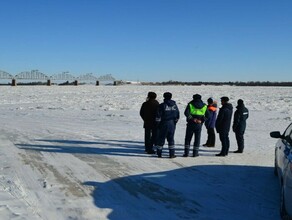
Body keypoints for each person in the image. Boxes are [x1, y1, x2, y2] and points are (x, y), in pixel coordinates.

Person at [155, 92, 180, 158]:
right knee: (171, 139)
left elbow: (158, 116)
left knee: (161, 139)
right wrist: (174, 123)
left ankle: (159, 153)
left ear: (164, 97)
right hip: (172, 124)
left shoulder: (162, 105)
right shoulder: (174, 105)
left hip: (164, 123)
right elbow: (177, 115)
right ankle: (171, 154)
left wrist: (157, 125)